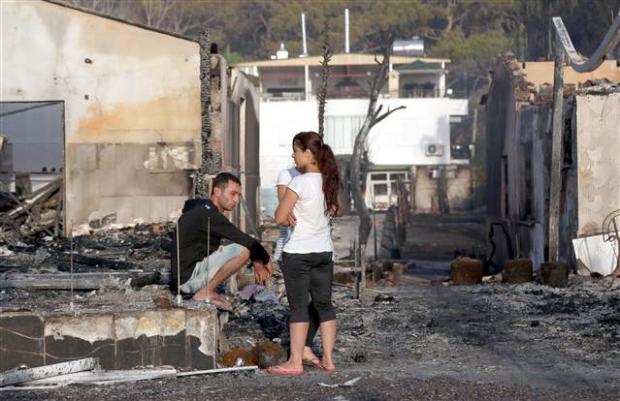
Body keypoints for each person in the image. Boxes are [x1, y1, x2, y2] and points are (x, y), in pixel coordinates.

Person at [269, 131, 340, 375]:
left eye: (296, 151)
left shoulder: (299, 181)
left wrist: (286, 212)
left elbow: (279, 216)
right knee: (325, 305)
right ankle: (328, 359)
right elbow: (332, 211)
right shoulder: (329, 180)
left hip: (298, 252)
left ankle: (295, 362)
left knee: (299, 307)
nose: (293, 155)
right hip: (324, 252)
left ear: (308, 153)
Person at [171, 172, 273, 311]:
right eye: (233, 194)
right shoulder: (209, 215)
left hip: (185, 277)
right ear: (217, 191)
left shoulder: (202, 211)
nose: (237, 200)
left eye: (238, 195)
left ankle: (207, 290)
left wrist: (256, 259)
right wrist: (264, 259)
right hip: (188, 280)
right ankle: (205, 292)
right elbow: (245, 240)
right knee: (243, 250)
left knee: (235, 247)